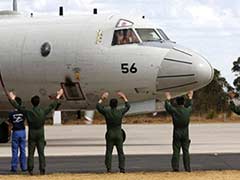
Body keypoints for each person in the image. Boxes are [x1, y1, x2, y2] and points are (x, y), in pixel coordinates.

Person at [8, 88, 64, 175]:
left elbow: (17, 106)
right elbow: (52, 105)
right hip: (40, 133)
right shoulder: (43, 111)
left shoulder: (29, 112)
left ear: (32, 102)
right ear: (38, 102)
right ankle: (42, 169)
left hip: (32, 133)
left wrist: (12, 98)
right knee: (41, 152)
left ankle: (30, 169)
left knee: (31, 153)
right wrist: (58, 95)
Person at [96, 92, 130, 173]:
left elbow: (98, 107)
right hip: (119, 134)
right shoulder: (120, 112)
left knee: (109, 152)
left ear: (110, 105)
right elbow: (128, 106)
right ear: (117, 105)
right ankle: (122, 169)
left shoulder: (107, 112)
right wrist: (124, 97)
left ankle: (109, 169)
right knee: (120, 152)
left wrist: (102, 98)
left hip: (110, 133)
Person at [164, 91, 193, 172]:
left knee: (176, 151)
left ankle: (175, 168)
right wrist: (190, 97)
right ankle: (187, 168)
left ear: (176, 102)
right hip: (185, 133)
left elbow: (167, 107)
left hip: (176, 132)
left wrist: (168, 99)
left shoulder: (174, 111)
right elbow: (190, 105)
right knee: (186, 151)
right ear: (184, 102)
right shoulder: (187, 111)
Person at [8, 97, 27, 173]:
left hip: (15, 132)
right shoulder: (23, 112)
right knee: (23, 150)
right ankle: (24, 167)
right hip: (22, 131)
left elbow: (10, 125)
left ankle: (14, 167)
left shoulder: (11, 114)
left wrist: (9, 134)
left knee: (14, 150)